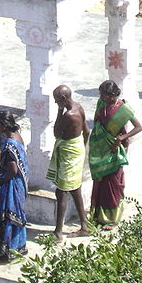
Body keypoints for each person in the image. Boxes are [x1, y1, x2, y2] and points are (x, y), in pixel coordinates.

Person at [88, 81, 142, 230]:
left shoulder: (124, 109)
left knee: (113, 184)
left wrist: (122, 138)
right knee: (100, 183)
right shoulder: (101, 104)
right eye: (101, 95)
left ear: (113, 95)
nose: (102, 98)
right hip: (100, 150)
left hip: (114, 150)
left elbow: (139, 127)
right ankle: (98, 214)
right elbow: (97, 122)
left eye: (105, 95)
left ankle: (112, 220)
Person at [46, 85, 90, 243]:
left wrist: (59, 111)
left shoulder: (68, 115)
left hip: (69, 152)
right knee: (75, 188)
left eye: (57, 100)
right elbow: (86, 131)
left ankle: (58, 232)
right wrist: (81, 148)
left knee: (62, 191)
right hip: (77, 148)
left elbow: (57, 132)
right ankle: (84, 225)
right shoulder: (79, 108)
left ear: (63, 99)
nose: (56, 102)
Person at [0, 111, 28, 263]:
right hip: (20, 182)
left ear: (4, 125)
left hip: (12, 184)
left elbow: (12, 170)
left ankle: (9, 253)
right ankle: (20, 247)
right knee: (17, 214)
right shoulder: (18, 136)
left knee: (8, 216)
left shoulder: (8, 144)